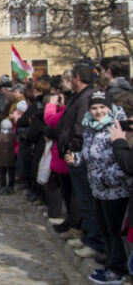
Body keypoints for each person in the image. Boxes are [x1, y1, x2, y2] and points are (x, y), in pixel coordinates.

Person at [65, 91, 129, 281]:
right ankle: (110, 262)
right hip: (97, 190)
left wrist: (104, 179)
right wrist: (76, 158)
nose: (98, 111)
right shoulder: (90, 127)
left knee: (115, 231)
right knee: (105, 229)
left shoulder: (117, 127)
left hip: (115, 191)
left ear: (110, 108)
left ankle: (118, 269)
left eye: (102, 107)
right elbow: (89, 154)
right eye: (94, 108)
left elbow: (123, 162)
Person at [57, 63, 103, 258]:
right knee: (82, 198)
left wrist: (72, 146)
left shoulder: (86, 97)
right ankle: (87, 236)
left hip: (79, 153)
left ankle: (94, 241)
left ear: (77, 78)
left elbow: (80, 127)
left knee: (86, 200)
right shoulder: (79, 96)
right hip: (75, 152)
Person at [0, 119, 16, 195]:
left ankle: (3, 186)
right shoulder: (13, 136)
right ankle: (11, 187)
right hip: (12, 158)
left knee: (2, 174)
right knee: (11, 173)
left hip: (1, 159)